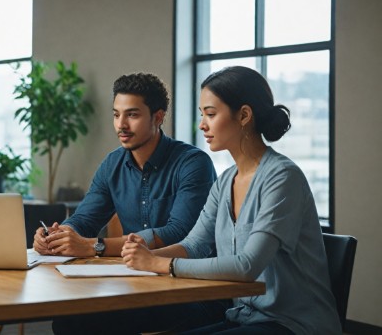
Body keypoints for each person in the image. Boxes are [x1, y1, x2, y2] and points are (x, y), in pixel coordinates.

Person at [122, 66, 340, 334]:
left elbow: (247, 266)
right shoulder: (225, 181)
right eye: (202, 115)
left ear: (244, 115)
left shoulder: (283, 177)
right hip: (242, 316)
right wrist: (143, 256)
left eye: (211, 114)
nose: (202, 124)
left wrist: (159, 263)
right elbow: (194, 245)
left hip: (292, 324)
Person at [41, 73, 228, 334]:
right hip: (137, 283)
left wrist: (94, 247)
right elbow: (85, 219)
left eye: (132, 115)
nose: (121, 125)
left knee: (88, 321)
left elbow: (180, 232)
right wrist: (60, 235)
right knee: (69, 318)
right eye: (116, 115)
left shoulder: (192, 163)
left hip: (193, 290)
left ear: (158, 117)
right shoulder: (112, 164)